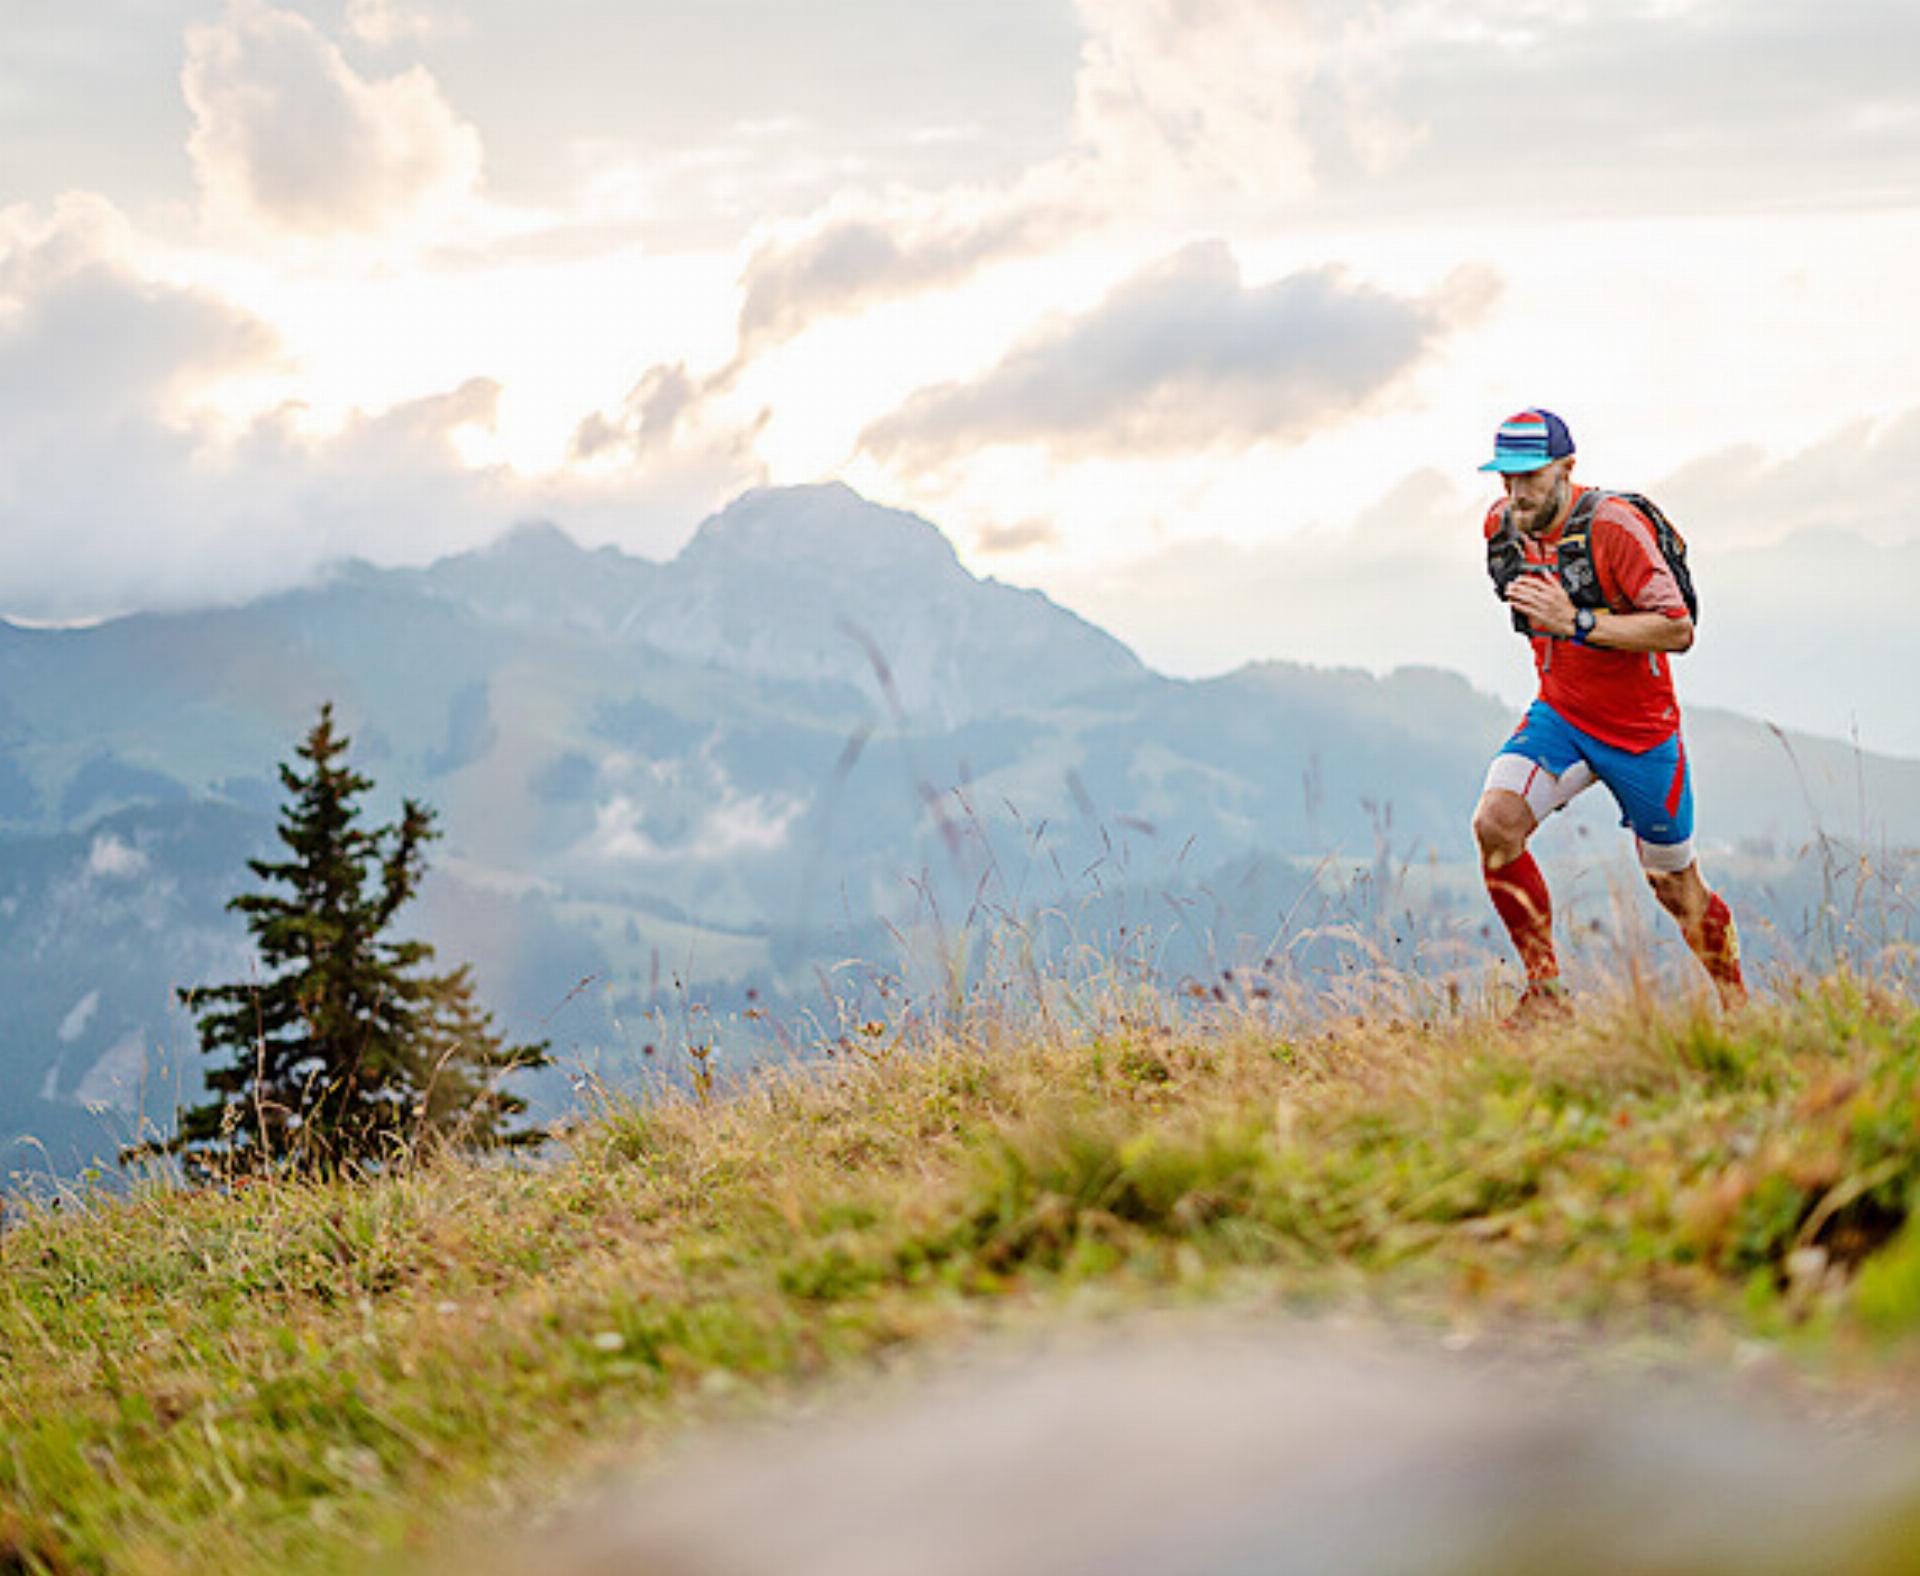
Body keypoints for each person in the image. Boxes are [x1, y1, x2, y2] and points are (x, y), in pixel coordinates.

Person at [1471, 409, 1746, 1024]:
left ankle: (1740, 1009)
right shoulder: (1502, 528)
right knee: (1496, 826)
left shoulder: (1614, 528)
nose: (1516, 492)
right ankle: (1547, 995)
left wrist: (1577, 622)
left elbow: (1677, 630)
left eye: (1531, 476)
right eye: (1505, 477)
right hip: (1561, 717)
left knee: (1676, 889)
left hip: (1641, 735)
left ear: (1567, 469)